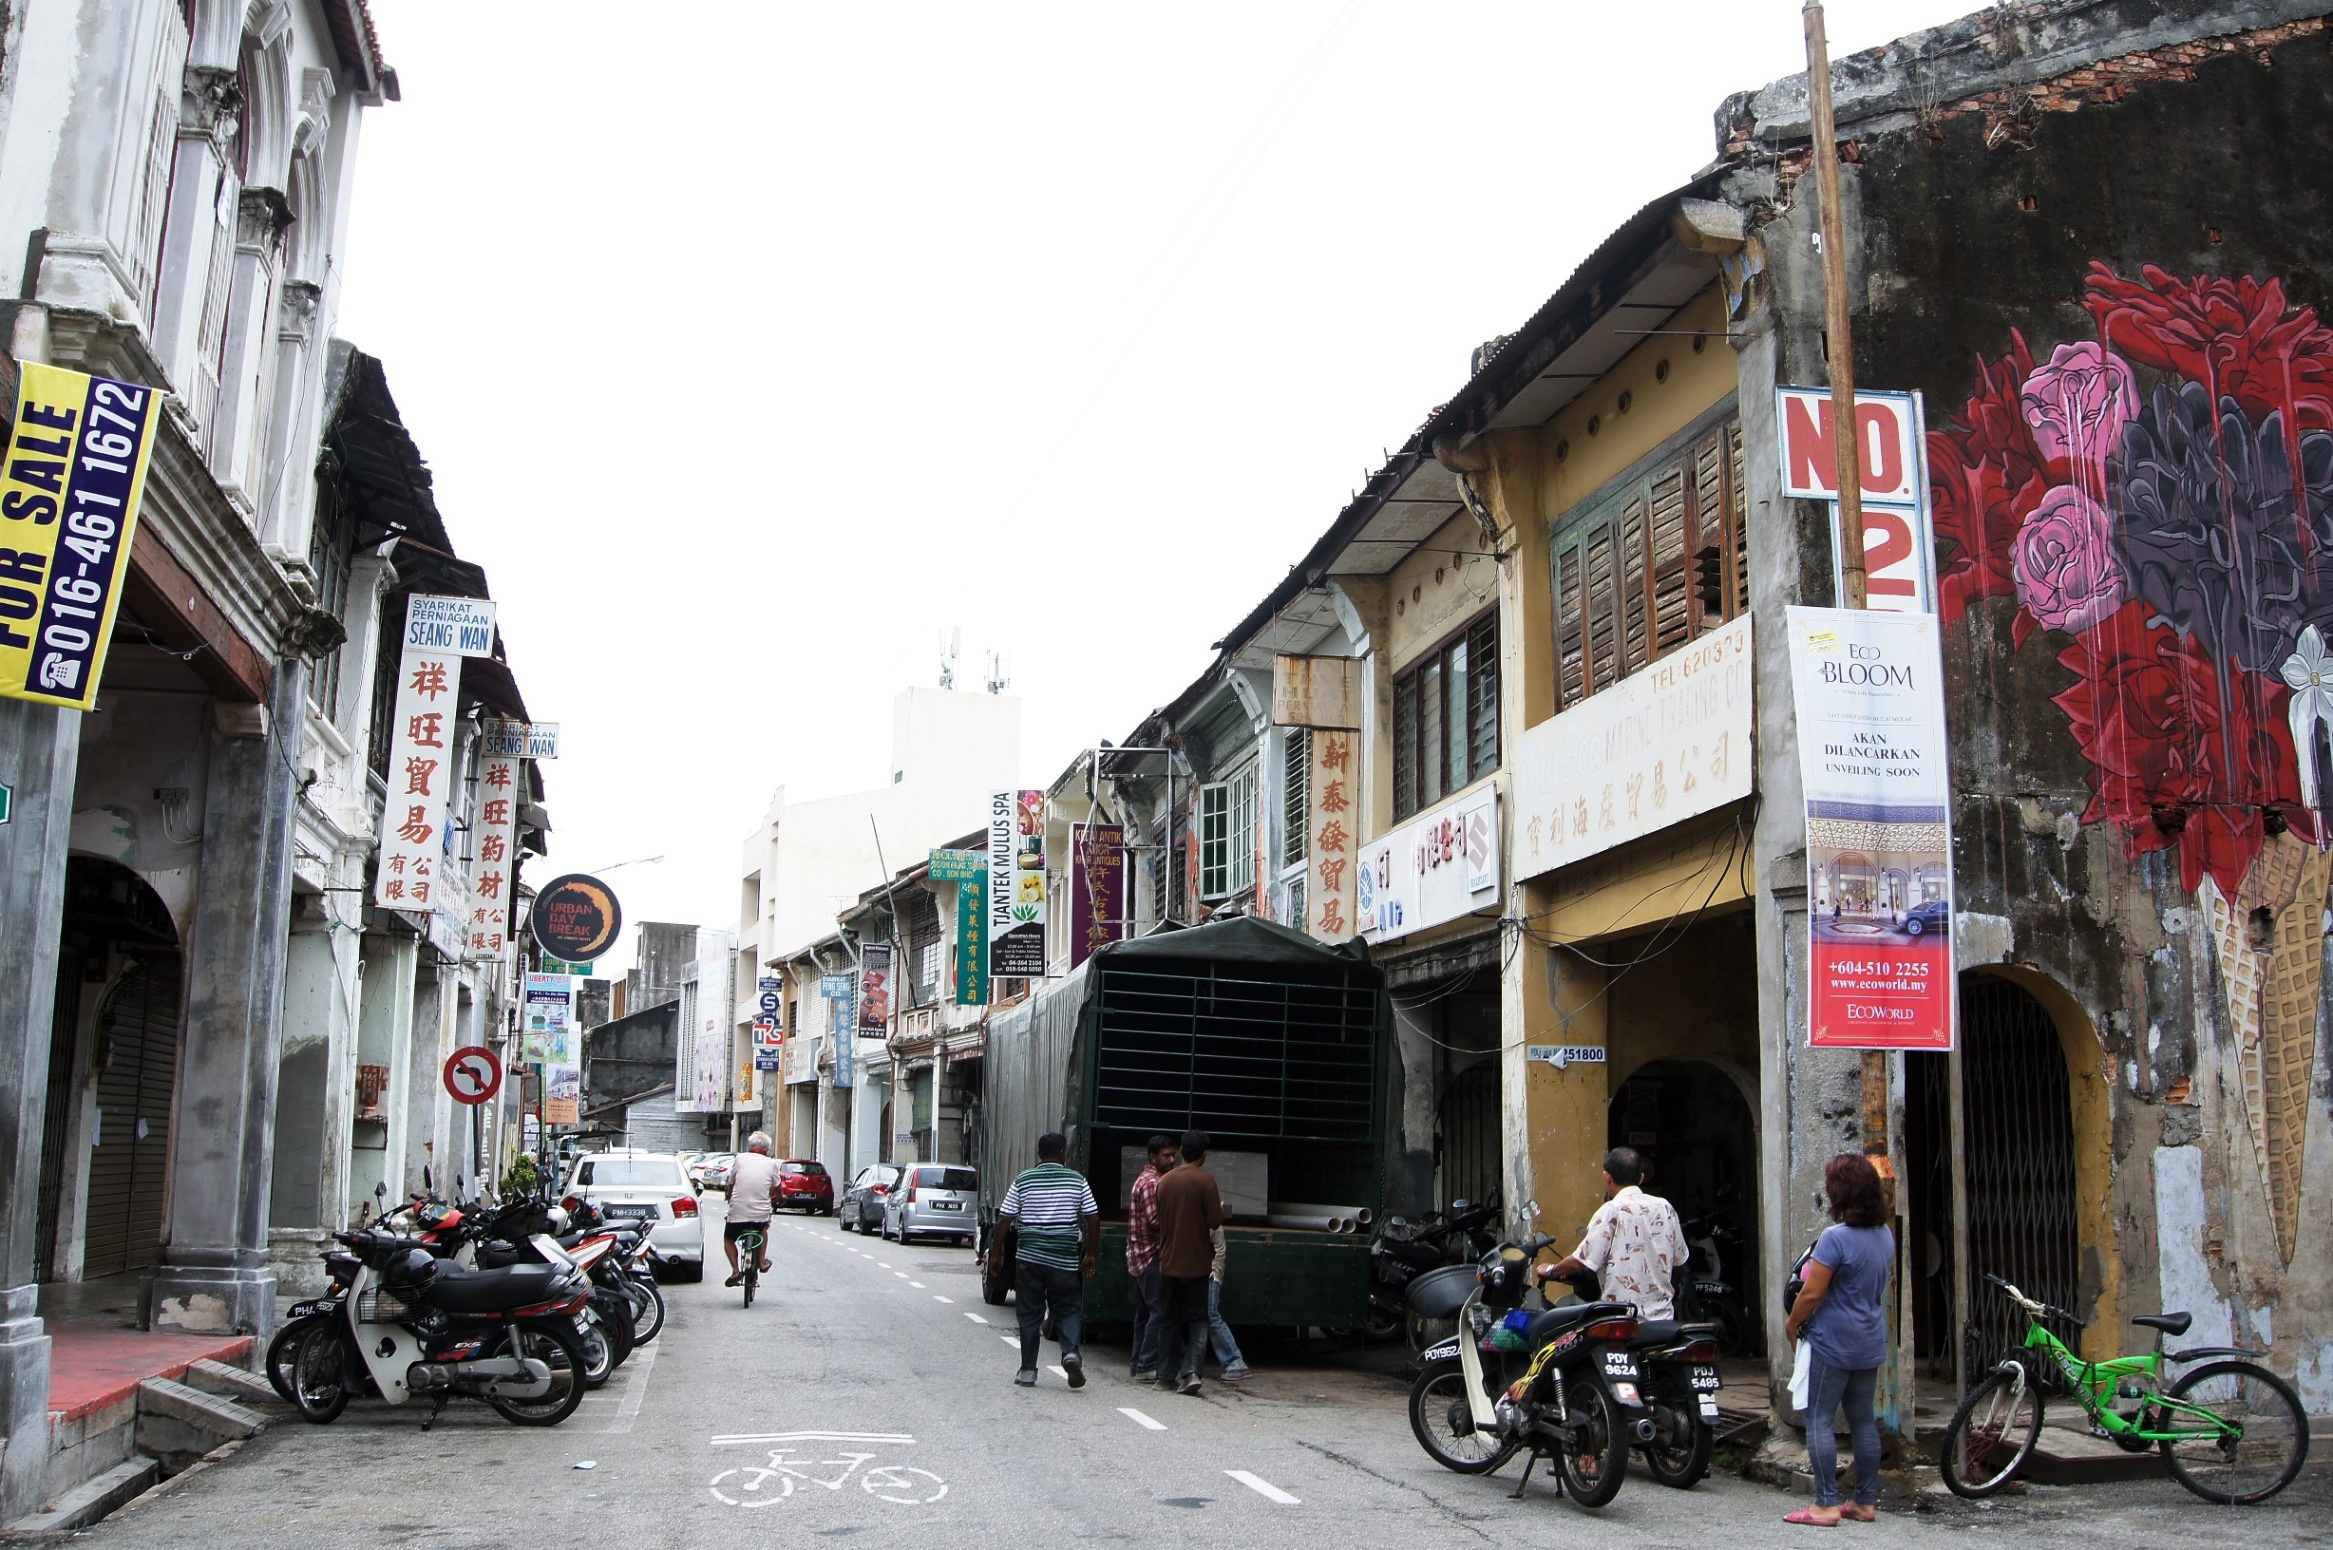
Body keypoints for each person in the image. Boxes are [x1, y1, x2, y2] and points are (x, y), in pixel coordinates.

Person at [1783, 1152, 1896, 1528]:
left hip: (1832, 1340)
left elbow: (1812, 1293)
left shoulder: (1835, 1239)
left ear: (1839, 1193)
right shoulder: (1885, 1235)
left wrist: (1792, 1323)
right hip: (1869, 1338)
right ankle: (1864, 1501)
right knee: (1863, 1420)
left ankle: (1826, 1504)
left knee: (1819, 1418)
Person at [989, 1132, 1099, 1389]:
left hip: (1029, 1259)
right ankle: (1070, 1353)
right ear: (1063, 1153)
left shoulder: (1023, 1179)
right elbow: (1093, 1217)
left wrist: (996, 1254)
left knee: (1029, 1314)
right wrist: (1091, 1254)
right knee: (1068, 1308)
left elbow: (1005, 1218)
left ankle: (1028, 1370)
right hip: (1064, 1259)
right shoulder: (1077, 1180)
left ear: (1039, 1154)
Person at [1535, 1146, 1687, 1319]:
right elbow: (1679, 1258)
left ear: (1607, 1177)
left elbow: (1580, 1261)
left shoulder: (1611, 1211)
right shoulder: (1665, 1208)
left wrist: (1550, 1270)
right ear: (1642, 1177)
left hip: (1622, 1320)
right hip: (1663, 1320)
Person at [1152, 1128, 1229, 1396]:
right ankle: (1192, 1373)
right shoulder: (1205, 1181)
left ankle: (1163, 1375)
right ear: (1204, 1154)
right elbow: (1214, 1221)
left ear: (1182, 1151)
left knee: (1168, 1320)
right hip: (1196, 1264)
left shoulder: (1164, 1182)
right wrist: (1220, 1208)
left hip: (1168, 1263)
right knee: (1197, 1321)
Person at [1126, 1134, 1178, 1382]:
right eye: (1166, 1156)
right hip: (1148, 1256)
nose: (1171, 1160)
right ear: (1153, 1157)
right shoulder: (1150, 1183)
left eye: (1173, 1155)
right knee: (1158, 1310)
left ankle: (1138, 1363)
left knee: (1144, 1314)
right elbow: (1154, 1220)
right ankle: (1146, 1364)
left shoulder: (1152, 1180)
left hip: (1140, 1256)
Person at [722, 1133, 782, 1288]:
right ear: (767, 1149)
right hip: (759, 1213)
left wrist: (728, 1195)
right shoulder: (771, 1164)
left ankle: (735, 1270)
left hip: (738, 1211)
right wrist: (781, 1199)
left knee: (729, 1239)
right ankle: (762, 1261)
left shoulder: (740, 1159)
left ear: (749, 1147)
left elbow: (731, 1182)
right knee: (763, 1228)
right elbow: (778, 1188)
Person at [1204, 1223, 1250, 1381]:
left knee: (1211, 1315)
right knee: (1208, 1316)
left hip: (1211, 1274)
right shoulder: (1210, 1217)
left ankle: (1235, 1362)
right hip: (1211, 1272)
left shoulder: (1210, 1221)